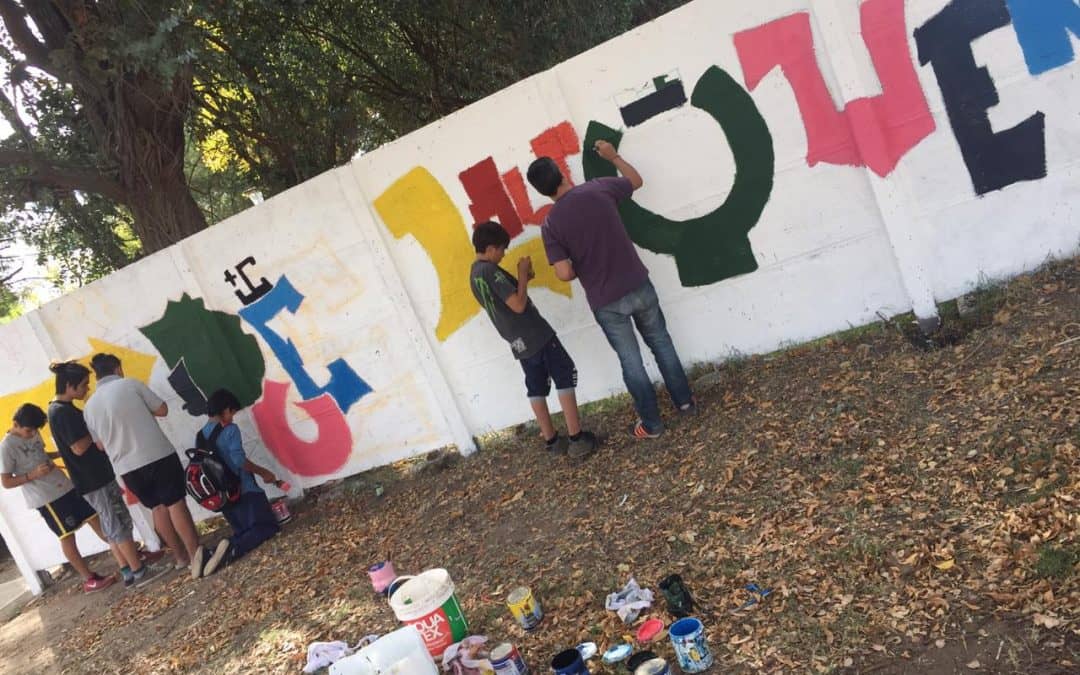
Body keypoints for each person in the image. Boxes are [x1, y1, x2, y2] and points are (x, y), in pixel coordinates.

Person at [527, 142, 694, 439]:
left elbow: (564, 272)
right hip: (637, 281)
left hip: (606, 300)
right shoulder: (598, 188)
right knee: (661, 342)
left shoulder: (551, 225)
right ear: (562, 173)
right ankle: (685, 403)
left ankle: (652, 425)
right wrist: (613, 156)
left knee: (631, 361)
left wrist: (584, 263)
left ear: (542, 192)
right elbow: (636, 181)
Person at [470, 220, 598, 458]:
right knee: (564, 373)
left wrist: (523, 282)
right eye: (501, 249)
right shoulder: (489, 270)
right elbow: (518, 305)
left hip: (518, 340)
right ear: (489, 249)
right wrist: (520, 274)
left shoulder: (474, 274)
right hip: (535, 333)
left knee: (536, 385)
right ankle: (576, 438)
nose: (503, 254)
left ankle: (551, 441)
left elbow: (505, 303)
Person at [48, 361, 165, 588]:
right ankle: (138, 570)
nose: (86, 390)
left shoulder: (60, 409)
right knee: (117, 524)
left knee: (112, 526)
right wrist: (98, 431)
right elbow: (79, 447)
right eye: (83, 385)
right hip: (93, 479)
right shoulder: (62, 412)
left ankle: (127, 569)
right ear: (70, 385)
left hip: (94, 477)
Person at [82, 353, 202, 576]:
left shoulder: (89, 407)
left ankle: (179, 557)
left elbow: (99, 445)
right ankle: (196, 554)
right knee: (175, 503)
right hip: (156, 454)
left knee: (157, 507)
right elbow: (162, 410)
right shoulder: (130, 384)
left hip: (126, 467)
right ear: (117, 368)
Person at [0, 403, 115, 593]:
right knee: (67, 535)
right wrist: (32, 475)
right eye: (28, 430)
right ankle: (89, 579)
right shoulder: (7, 447)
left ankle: (126, 552)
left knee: (95, 518)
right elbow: (6, 482)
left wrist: (63, 453)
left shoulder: (34, 431)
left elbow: (42, 454)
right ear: (15, 424)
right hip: (47, 498)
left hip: (65, 486)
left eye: (35, 430)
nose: (32, 434)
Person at [195, 388, 282, 578]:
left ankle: (209, 553)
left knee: (243, 530)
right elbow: (239, 461)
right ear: (225, 410)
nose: (233, 417)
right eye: (232, 412)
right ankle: (231, 550)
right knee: (267, 527)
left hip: (223, 498)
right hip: (244, 490)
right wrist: (263, 471)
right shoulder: (230, 430)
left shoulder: (200, 436)